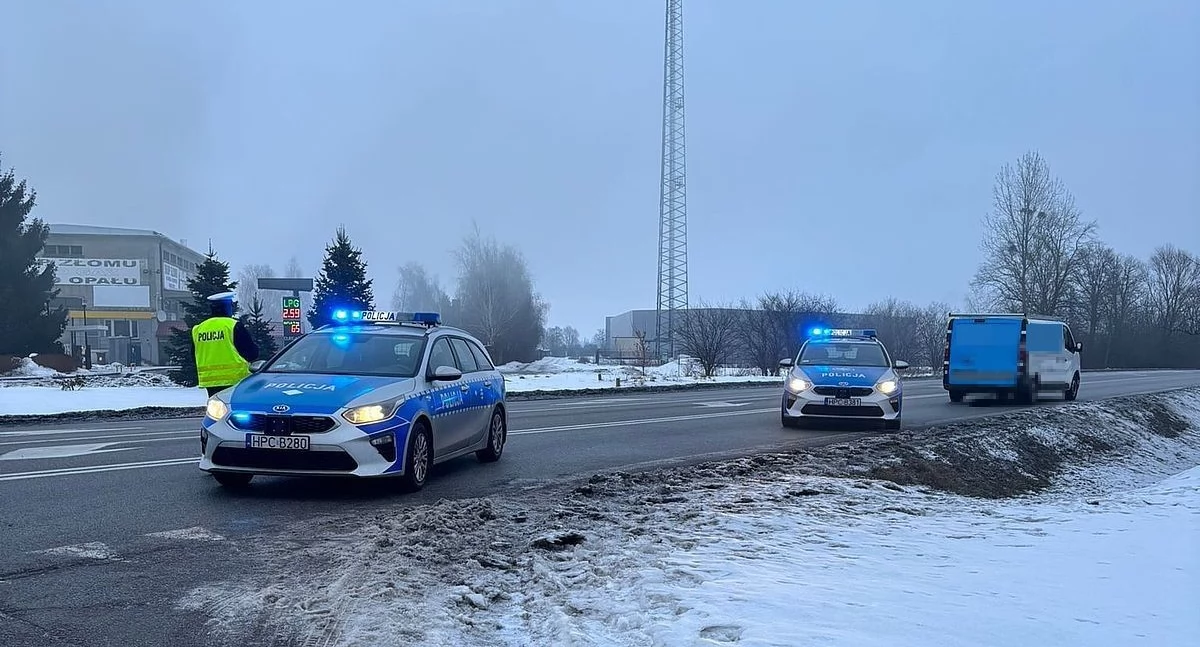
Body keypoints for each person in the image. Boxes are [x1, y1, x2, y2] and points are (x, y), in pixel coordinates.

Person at [192, 291, 260, 396]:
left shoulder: (198, 329)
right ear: (227, 307)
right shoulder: (232, 325)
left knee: (217, 409)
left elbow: (194, 354)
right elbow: (251, 353)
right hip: (236, 379)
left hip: (209, 381)